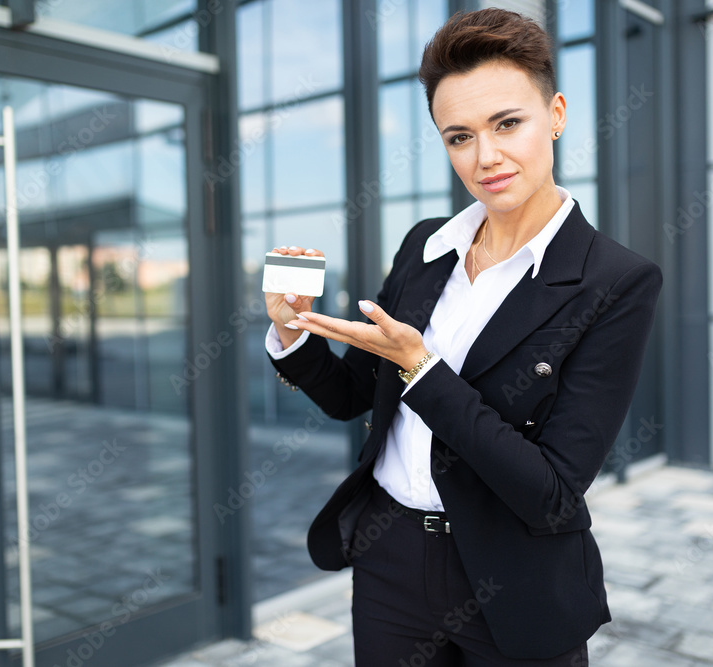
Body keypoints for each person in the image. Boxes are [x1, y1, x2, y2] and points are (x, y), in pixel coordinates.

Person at [264, 8, 662, 666]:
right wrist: (292, 331)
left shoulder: (616, 281)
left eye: (508, 123)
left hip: (515, 581)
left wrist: (422, 368)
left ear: (556, 114)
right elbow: (354, 397)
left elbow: (554, 490)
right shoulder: (426, 244)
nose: (486, 157)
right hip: (389, 557)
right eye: (459, 137)